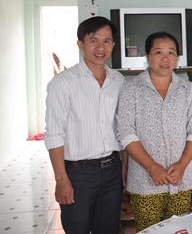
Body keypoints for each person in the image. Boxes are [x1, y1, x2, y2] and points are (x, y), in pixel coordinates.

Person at [44, 16, 126, 234]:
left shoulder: (118, 81)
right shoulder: (63, 83)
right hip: (77, 174)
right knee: (77, 229)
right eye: (93, 40)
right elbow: (54, 134)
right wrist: (61, 179)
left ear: (113, 45)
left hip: (111, 170)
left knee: (108, 229)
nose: (101, 47)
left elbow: (123, 128)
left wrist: (124, 167)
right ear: (81, 44)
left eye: (107, 41)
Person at [116, 32, 192, 232]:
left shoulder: (187, 89)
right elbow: (125, 133)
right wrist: (152, 167)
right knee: (150, 230)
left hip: (180, 179)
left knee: (180, 229)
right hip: (145, 180)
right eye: (158, 52)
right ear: (147, 56)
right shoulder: (132, 90)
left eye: (171, 53)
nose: (165, 58)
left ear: (177, 58)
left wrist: (182, 165)